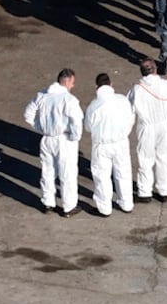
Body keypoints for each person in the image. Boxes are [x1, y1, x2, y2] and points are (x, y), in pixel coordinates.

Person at [23, 68, 83, 216]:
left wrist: (39, 127)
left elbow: (27, 114)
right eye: (73, 82)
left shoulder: (42, 95)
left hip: (46, 139)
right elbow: (76, 121)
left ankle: (48, 203)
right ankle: (69, 207)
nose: (73, 86)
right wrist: (74, 137)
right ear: (67, 81)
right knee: (67, 173)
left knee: (47, 172)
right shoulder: (68, 100)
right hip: (64, 139)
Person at [127, 58, 167, 203]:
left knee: (145, 159)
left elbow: (129, 113)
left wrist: (126, 131)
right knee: (165, 158)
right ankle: (164, 190)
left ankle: (144, 191)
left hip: (146, 127)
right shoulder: (165, 85)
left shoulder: (136, 89)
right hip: (164, 126)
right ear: (155, 69)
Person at [85, 73, 135, 215]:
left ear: (96, 87)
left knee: (102, 176)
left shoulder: (93, 106)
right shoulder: (122, 100)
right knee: (123, 172)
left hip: (101, 145)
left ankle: (104, 207)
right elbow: (131, 118)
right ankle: (127, 203)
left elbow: (88, 126)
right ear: (111, 84)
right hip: (120, 142)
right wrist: (125, 133)